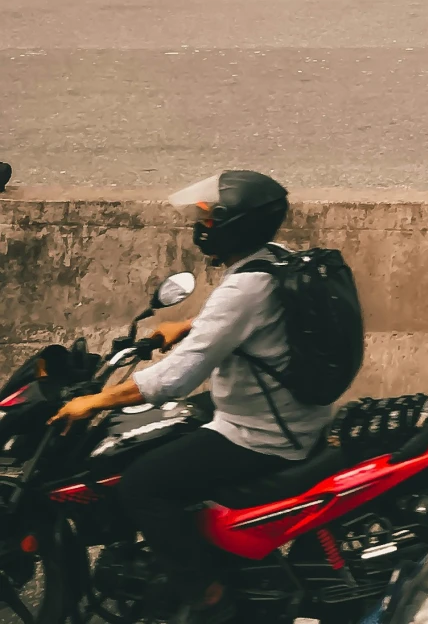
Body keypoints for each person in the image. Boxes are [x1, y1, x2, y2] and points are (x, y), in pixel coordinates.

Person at [51, 169, 344, 616]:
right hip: (288, 410)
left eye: (210, 218)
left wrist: (96, 400)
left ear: (235, 226)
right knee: (168, 429)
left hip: (264, 433)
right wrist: (189, 327)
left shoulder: (243, 289)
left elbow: (172, 381)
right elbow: (248, 324)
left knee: (143, 484)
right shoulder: (275, 258)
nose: (201, 225)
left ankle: (206, 591)